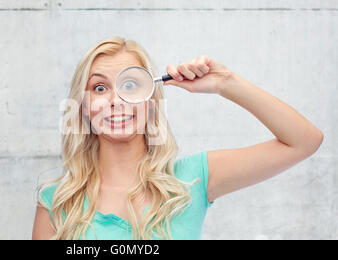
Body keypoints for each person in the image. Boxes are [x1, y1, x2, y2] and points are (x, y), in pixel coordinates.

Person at [32, 36, 323, 240]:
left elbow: (304, 141)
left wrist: (225, 83)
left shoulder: (193, 179)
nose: (115, 100)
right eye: (98, 88)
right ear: (82, 107)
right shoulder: (56, 201)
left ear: (151, 99)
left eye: (130, 84)